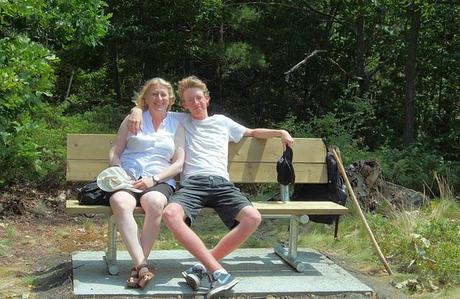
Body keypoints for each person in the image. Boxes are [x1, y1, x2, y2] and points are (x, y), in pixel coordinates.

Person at [128, 76, 293, 298]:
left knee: (253, 217)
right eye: (189, 100)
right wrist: (136, 110)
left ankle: (203, 267)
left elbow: (252, 132)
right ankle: (219, 272)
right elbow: (156, 105)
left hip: (222, 184)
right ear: (184, 105)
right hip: (193, 184)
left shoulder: (223, 122)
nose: (195, 103)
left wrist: (280, 132)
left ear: (207, 99)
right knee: (170, 213)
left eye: (198, 98)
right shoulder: (181, 120)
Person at [109, 77, 185, 289]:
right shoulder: (133, 119)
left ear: (170, 99)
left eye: (163, 95)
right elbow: (115, 150)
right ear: (146, 98)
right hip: (128, 176)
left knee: (155, 204)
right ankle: (142, 266)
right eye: (154, 94)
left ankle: (137, 268)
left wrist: (154, 179)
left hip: (159, 179)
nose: (159, 98)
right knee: (120, 202)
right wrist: (120, 172)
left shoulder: (177, 123)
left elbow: (178, 163)